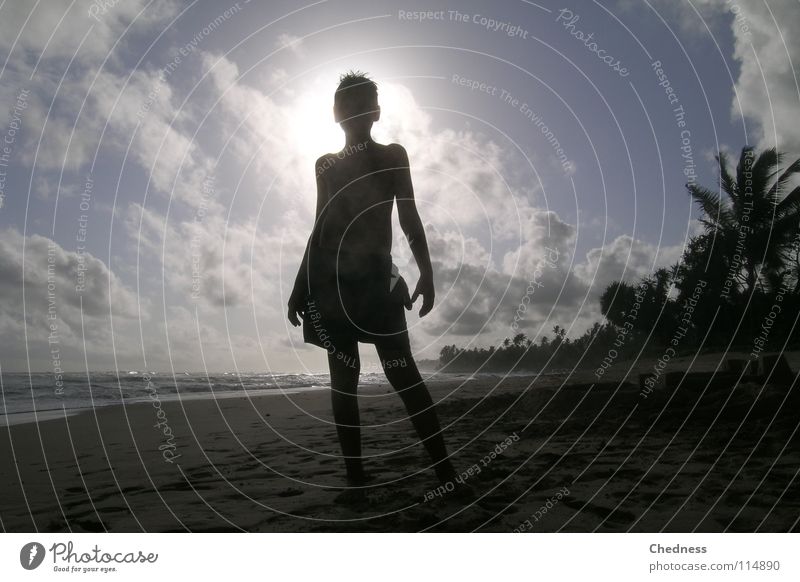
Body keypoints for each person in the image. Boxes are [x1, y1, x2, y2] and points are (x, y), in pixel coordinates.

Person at [287, 71, 457, 489]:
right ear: (335, 114)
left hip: (378, 285)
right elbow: (319, 226)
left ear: (375, 113)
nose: (353, 113)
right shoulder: (325, 165)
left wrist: (427, 272)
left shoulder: (392, 156)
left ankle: (446, 471)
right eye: (346, 105)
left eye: (361, 105)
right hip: (331, 289)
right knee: (344, 384)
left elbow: (409, 215)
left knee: (405, 376)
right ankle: (356, 479)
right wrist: (298, 286)